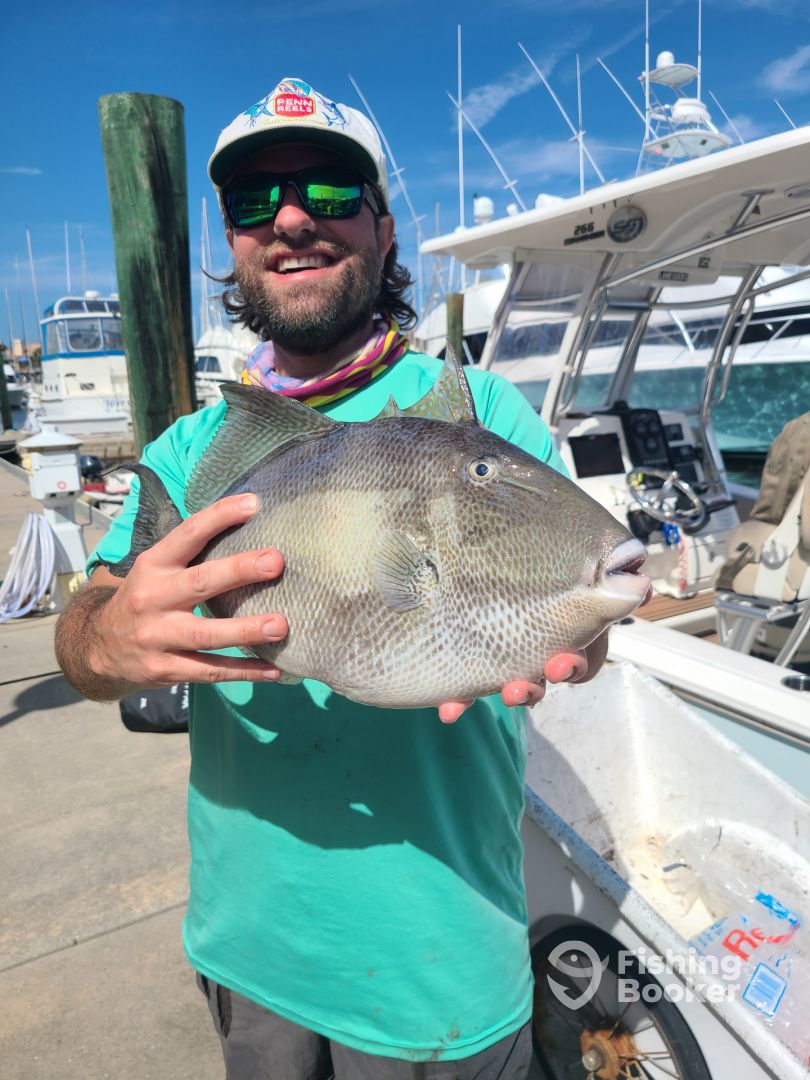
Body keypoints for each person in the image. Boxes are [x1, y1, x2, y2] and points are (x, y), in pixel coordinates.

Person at [55, 77, 609, 1079]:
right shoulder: (191, 449)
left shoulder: (480, 414)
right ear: (233, 240)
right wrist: (107, 636)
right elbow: (85, 635)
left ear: (384, 230)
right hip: (250, 953)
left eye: (329, 190)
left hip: (441, 961)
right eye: (254, 200)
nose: (292, 219)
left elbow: (578, 603)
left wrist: (583, 631)